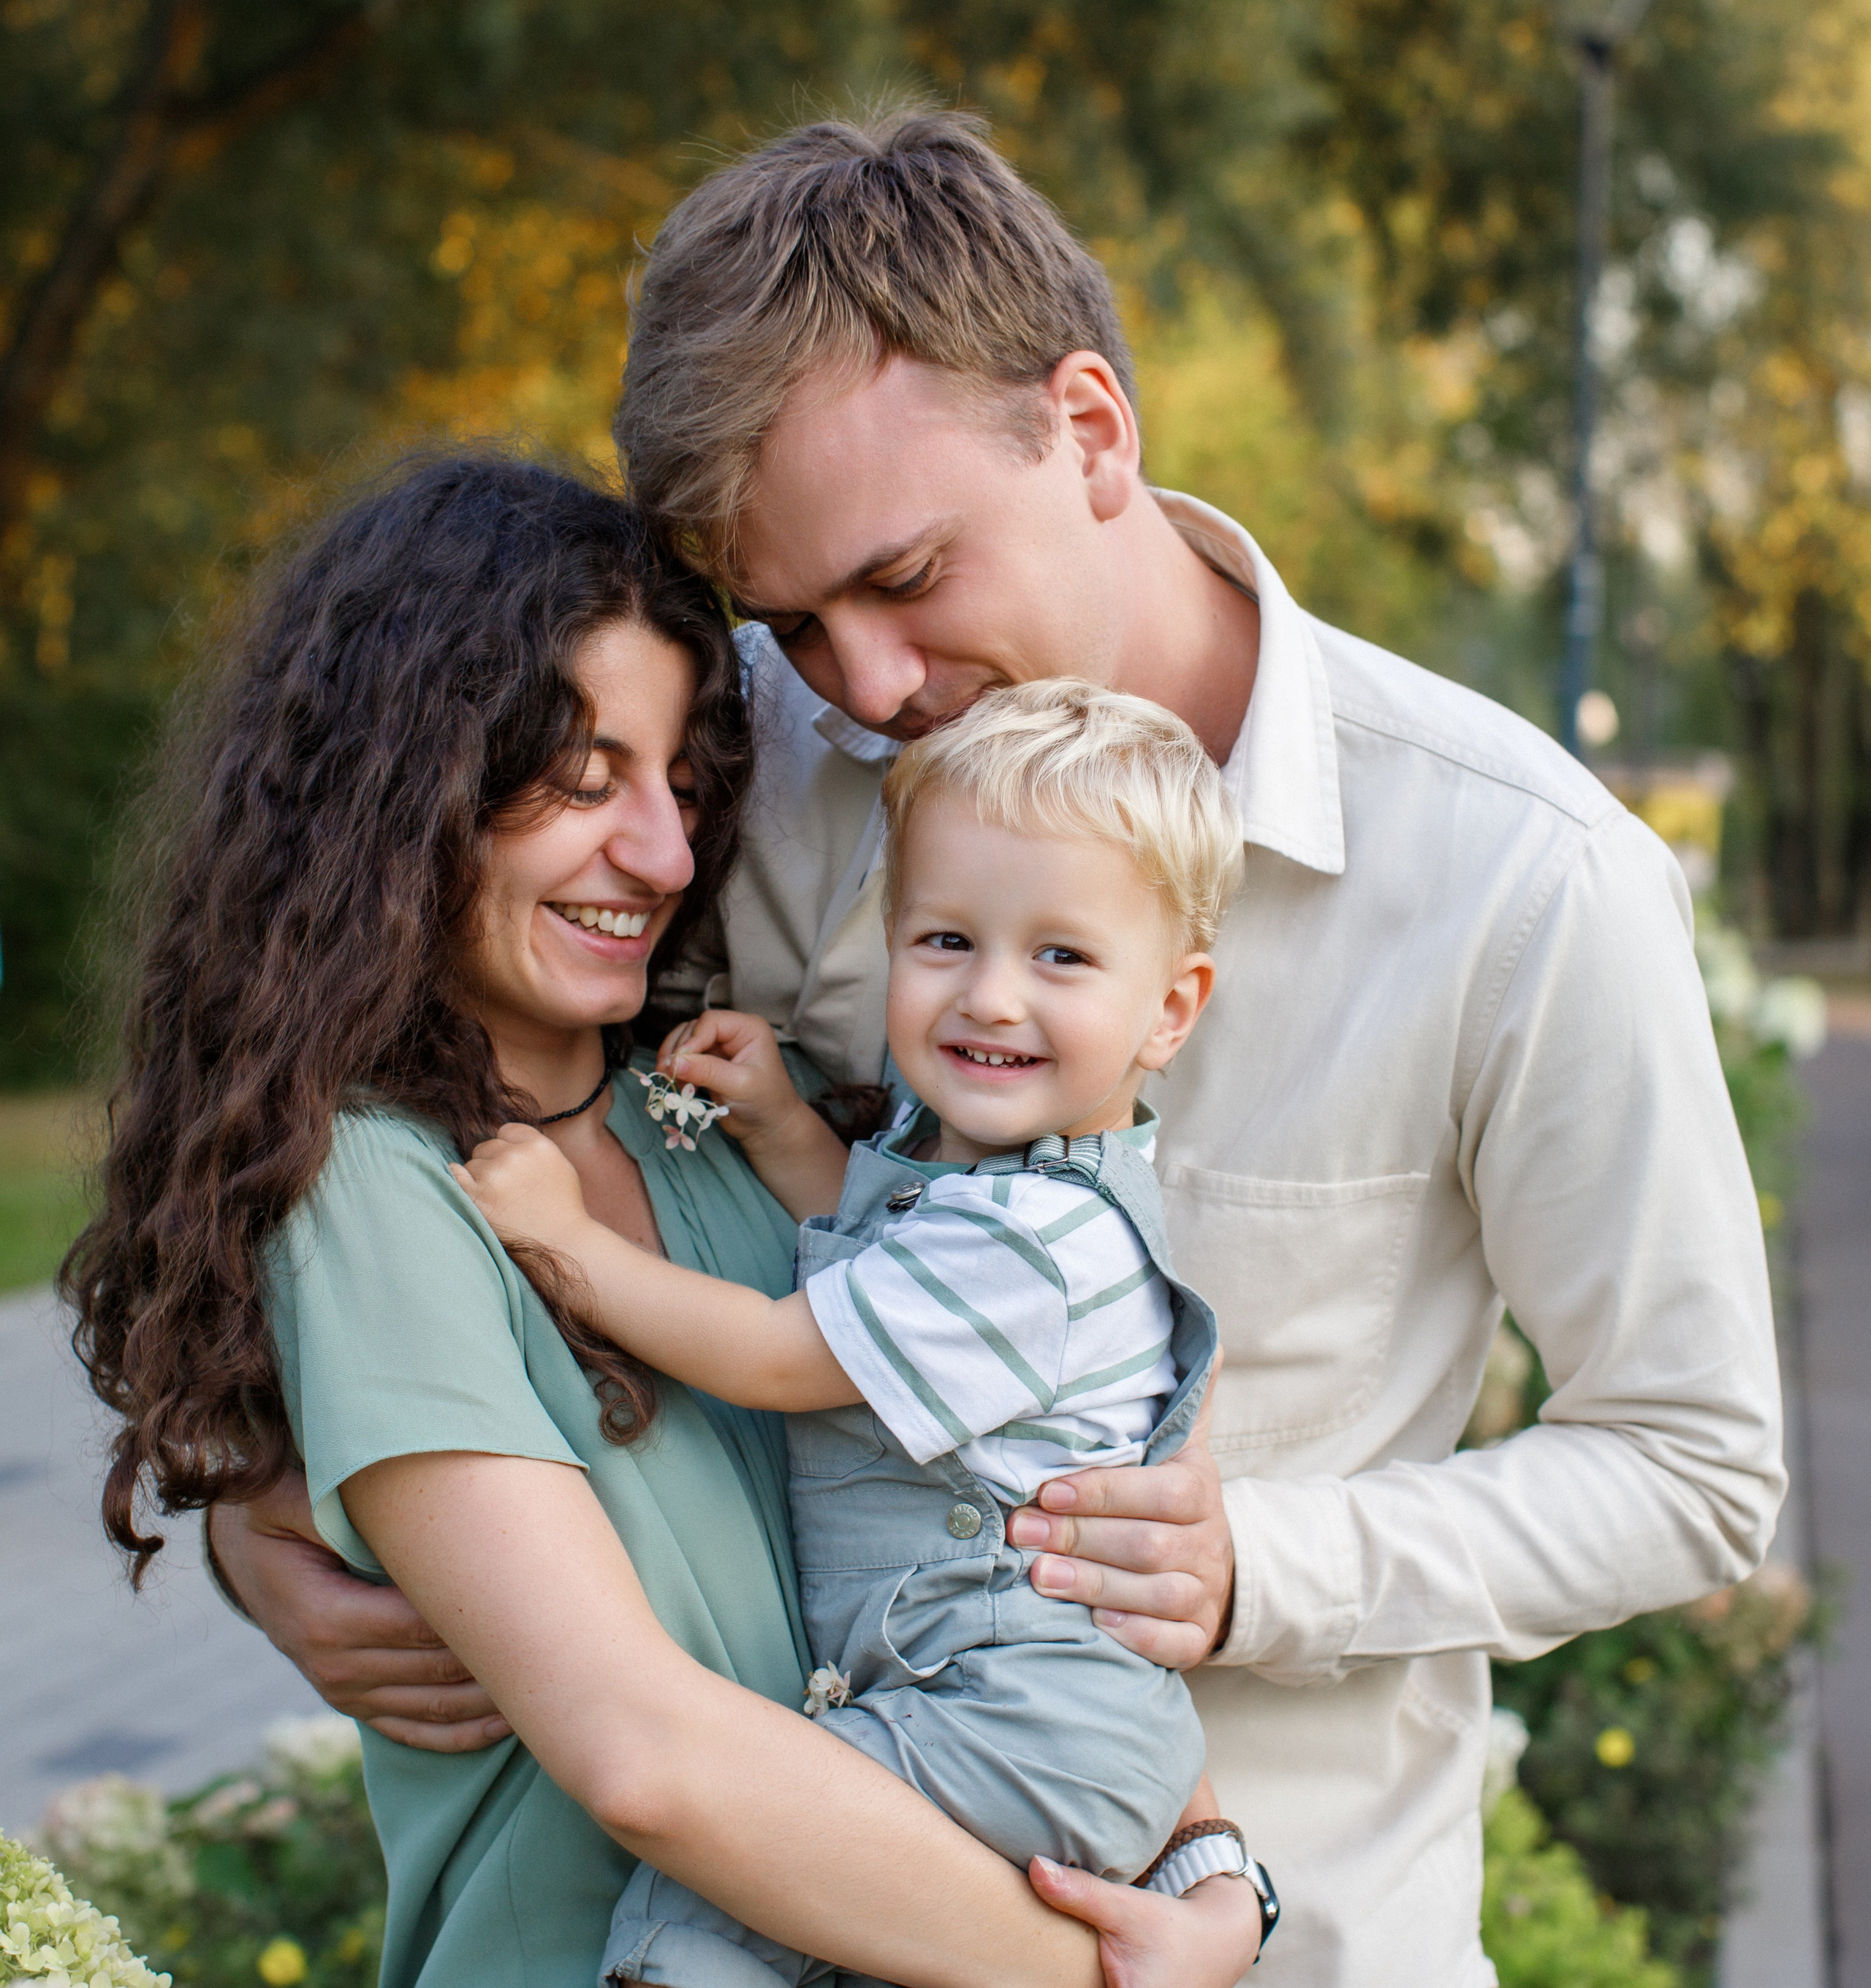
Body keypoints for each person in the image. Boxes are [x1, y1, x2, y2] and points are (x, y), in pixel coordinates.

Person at [213, 113, 1786, 1985]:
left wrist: (1256, 1567)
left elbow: (1691, 1465)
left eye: (905, 578)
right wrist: (269, 1496)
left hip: (1273, 1932)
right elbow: (399, 1044)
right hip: (807, 1897)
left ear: (1091, 431)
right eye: (793, 621)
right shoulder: (758, 777)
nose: (865, 685)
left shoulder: (1519, 879)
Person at [62, 454, 1266, 1988]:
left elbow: (1021, 1556)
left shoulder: (728, 1117)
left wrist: (1215, 1878)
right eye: (582, 779)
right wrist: (1096, 1974)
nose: (666, 854)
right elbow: (646, 1761)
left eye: (683, 786)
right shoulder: (377, 1186)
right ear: (402, 792)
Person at [459, 680, 1278, 1986]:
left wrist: (567, 1243)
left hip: (1019, 1718)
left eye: (1061, 958)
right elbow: (878, 1259)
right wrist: (788, 1129)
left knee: (720, 1875)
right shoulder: (991, 1182)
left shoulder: (1034, 1244)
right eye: (947, 940)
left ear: (1171, 1010)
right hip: (1013, 1709)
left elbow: (783, 1354)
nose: (990, 998)